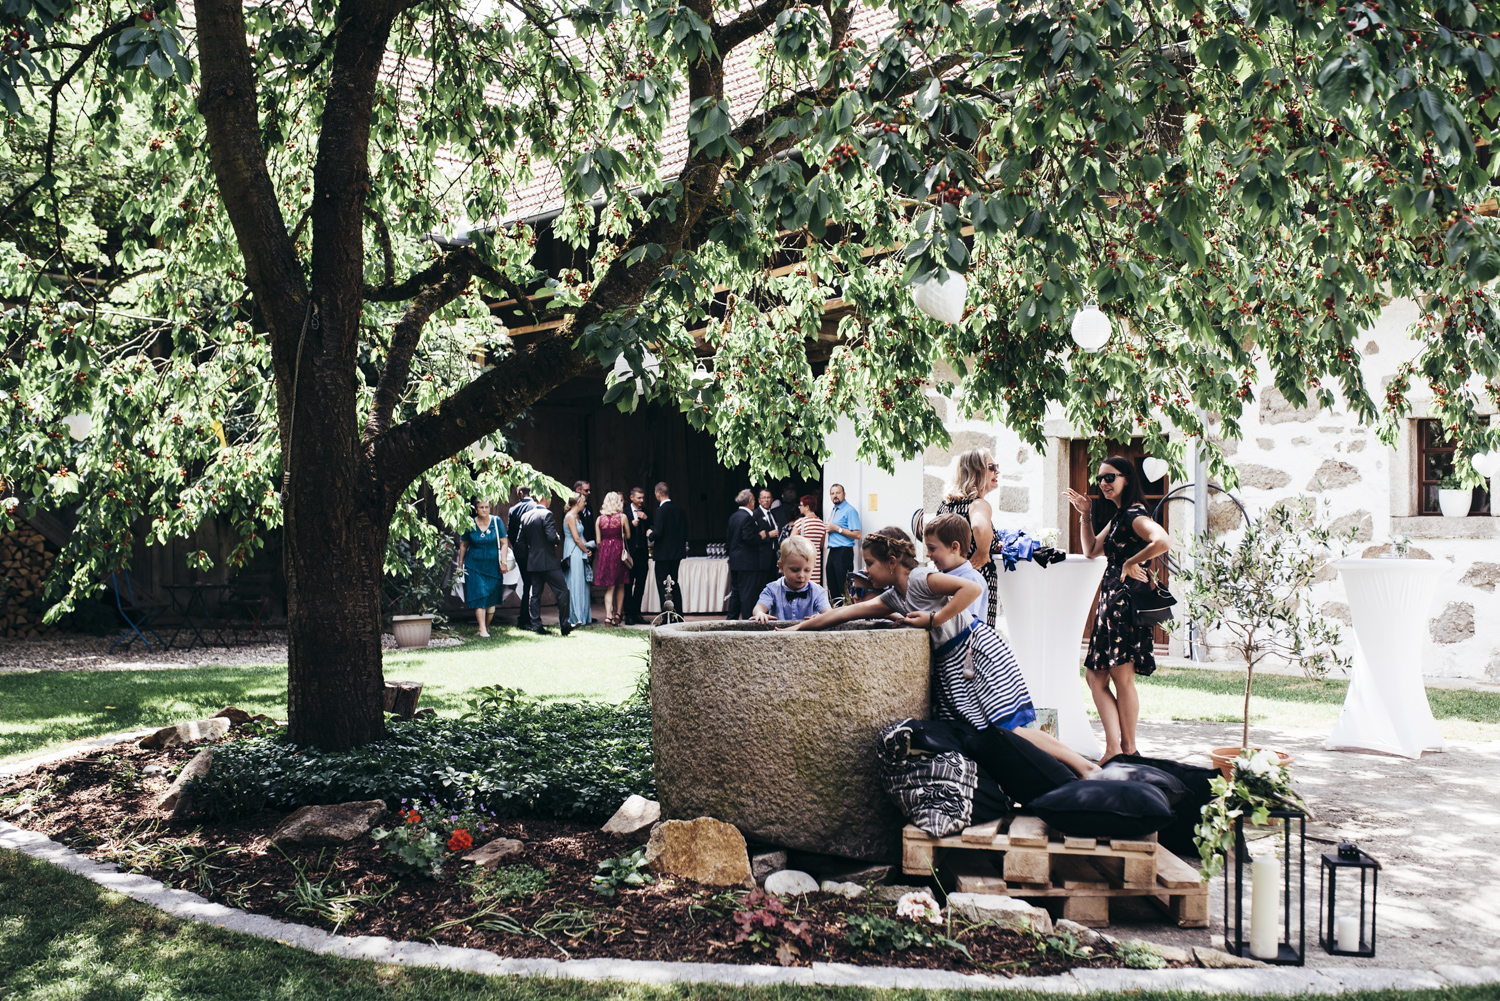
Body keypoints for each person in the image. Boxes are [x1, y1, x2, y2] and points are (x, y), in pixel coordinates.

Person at [787, 526, 1099, 778]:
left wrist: (934, 619)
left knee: (1008, 726)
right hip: (957, 665)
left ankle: (1083, 767)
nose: (866, 571)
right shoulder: (896, 596)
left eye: (869, 563)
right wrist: (796, 630)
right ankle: (1048, 775)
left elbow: (972, 589)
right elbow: (843, 614)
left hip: (975, 654)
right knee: (983, 732)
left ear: (892, 561)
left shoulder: (922, 579)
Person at [1067, 456, 1171, 763]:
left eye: (1110, 477)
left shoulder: (1134, 515)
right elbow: (1091, 551)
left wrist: (1130, 561)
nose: (1103, 484)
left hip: (1123, 603)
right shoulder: (1119, 516)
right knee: (1095, 678)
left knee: (1122, 677)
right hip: (1111, 602)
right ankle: (1117, 748)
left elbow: (1162, 540)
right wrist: (1085, 515)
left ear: (1126, 479)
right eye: (1100, 479)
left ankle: (1128, 749)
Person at [937, 448, 1001, 629]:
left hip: (948, 581)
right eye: (991, 467)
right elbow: (979, 527)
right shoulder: (978, 504)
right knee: (977, 637)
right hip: (975, 582)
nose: (997, 471)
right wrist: (982, 551)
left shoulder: (946, 505)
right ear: (976, 471)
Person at [518, 492, 571, 636]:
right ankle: (565, 625)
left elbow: (520, 541)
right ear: (544, 498)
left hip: (534, 562)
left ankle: (537, 626)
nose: (550, 501)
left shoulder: (525, 516)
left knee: (535, 595)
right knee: (562, 591)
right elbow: (551, 536)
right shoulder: (547, 514)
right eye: (550, 498)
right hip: (548, 561)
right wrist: (557, 538)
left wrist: (531, 555)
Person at [456, 499, 510, 638]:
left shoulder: (496, 522)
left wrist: (504, 561)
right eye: (481, 507)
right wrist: (460, 565)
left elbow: (504, 543)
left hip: (493, 566)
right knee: (479, 594)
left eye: (487, 507)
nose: (484, 510)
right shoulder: (470, 523)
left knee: (490, 598)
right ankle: (482, 628)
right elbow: (463, 545)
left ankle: (485, 627)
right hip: (474, 565)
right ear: (476, 509)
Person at [924, 512, 988, 625]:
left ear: (954, 547)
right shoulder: (939, 575)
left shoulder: (971, 579)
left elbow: (965, 622)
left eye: (932, 549)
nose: (928, 554)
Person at [751, 535, 829, 622]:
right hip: (779, 633)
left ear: (813, 567)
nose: (801, 575)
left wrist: (823, 617)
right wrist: (759, 613)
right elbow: (760, 606)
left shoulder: (817, 591)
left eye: (807, 570)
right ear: (781, 567)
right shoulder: (773, 589)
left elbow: (828, 613)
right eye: (795, 570)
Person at [725, 488, 764, 619]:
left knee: (735, 592)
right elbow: (748, 538)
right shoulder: (747, 517)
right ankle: (748, 620)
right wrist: (760, 536)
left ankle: (731, 619)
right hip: (747, 562)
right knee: (748, 593)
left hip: (735, 560)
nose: (754, 502)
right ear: (749, 501)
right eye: (753, 499)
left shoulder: (733, 516)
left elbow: (729, 539)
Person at [594, 490, 630, 625]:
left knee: (609, 587)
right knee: (620, 584)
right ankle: (618, 615)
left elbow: (598, 541)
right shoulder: (622, 517)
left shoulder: (599, 519)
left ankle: (608, 616)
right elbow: (628, 535)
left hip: (605, 552)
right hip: (618, 552)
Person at [650, 482, 688, 609]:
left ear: (657, 493)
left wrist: (650, 534)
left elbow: (658, 532)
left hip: (663, 555)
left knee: (663, 585)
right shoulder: (680, 510)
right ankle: (678, 613)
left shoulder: (661, 510)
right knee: (674, 583)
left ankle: (666, 615)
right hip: (676, 553)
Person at [506, 487, 539, 629]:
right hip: (535, 551)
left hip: (521, 553)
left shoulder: (513, 510)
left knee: (527, 585)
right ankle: (529, 618)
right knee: (533, 585)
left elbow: (510, 533)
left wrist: (518, 550)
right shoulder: (535, 507)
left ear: (520, 494)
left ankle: (525, 617)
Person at [825, 483, 862, 600]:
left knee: (844, 587)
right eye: (832, 493)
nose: (835, 496)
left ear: (844, 494)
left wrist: (837, 529)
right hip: (833, 551)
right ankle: (835, 612)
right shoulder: (834, 510)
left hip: (844, 552)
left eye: (838, 493)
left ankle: (846, 613)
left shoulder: (849, 510)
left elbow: (858, 534)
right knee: (832, 585)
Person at [562, 490, 593, 628]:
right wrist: (584, 549)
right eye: (584, 501)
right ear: (578, 502)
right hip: (573, 551)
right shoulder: (569, 517)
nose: (585, 503)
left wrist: (587, 549)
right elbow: (575, 538)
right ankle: (574, 616)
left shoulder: (577, 517)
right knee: (574, 582)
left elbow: (581, 537)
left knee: (582, 583)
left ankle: (583, 616)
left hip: (580, 550)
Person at [622, 486, 651, 624]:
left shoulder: (647, 512)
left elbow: (653, 527)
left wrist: (647, 520)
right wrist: (630, 525)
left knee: (640, 585)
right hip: (629, 555)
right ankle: (628, 614)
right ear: (632, 498)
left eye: (643, 498)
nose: (641, 500)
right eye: (639, 498)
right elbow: (620, 532)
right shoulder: (624, 513)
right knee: (628, 585)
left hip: (642, 554)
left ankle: (637, 612)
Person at [790, 495, 827, 585]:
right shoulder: (821, 524)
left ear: (807, 507)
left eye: (801, 505)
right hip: (815, 560)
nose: (799, 507)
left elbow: (790, 541)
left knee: (801, 584)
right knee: (813, 586)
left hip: (802, 558)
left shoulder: (800, 522)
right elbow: (821, 545)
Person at [754, 488, 780, 592]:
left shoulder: (773, 513)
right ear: (759, 500)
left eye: (768, 497)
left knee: (772, 583)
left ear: (772, 499)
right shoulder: (755, 514)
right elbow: (753, 536)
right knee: (762, 585)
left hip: (773, 553)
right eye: (764, 498)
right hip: (761, 556)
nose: (766, 500)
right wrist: (768, 535)